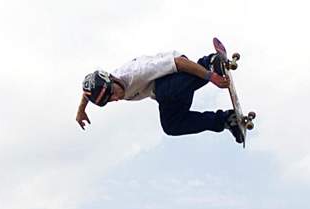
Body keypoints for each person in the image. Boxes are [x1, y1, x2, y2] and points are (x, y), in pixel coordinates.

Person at [76, 48, 245, 143]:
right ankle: (226, 120)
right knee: (171, 126)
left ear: (111, 78)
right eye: (110, 100)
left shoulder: (137, 72)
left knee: (165, 93)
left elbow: (179, 63)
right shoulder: (105, 88)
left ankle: (210, 62)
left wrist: (211, 75)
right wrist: (81, 110)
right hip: (169, 93)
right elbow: (87, 93)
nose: (116, 98)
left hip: (180, 70)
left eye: (112, 93)